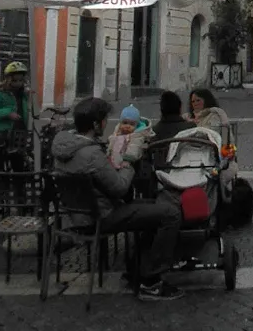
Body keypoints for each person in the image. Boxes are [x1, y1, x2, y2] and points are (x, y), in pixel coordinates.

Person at [51, 97, 183, 302]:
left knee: (153, 208)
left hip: (77, 214)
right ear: (95, 124)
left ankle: (136, 270)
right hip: (101, 216)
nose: (106, 124)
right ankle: (151, 282)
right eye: (104, 120)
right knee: (171, 214)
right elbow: (120, 188)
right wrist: (129, 161)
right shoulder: (92, 154)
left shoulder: (63, 147)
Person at [0, 61, 31, 132]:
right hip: (1, 132)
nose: (18, 83)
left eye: (21, 80)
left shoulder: (23, 94)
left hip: (20, 132)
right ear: (8, 79)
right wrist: (8, 114)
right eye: (14, 80)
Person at [107, 104, 153, 170]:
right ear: (120, 123)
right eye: (125, 123)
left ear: (136, 125)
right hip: (114, 160)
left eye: (132, 124)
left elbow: (133, 152)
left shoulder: (137, 136)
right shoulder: (118, 131)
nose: (128, 126)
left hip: (129, 163)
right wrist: (109, 150)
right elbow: (112, 143)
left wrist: (125, 159)